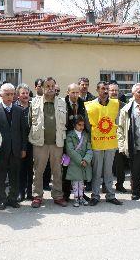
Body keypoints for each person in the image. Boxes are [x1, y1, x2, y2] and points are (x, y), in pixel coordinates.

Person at [29, 77, 68, 208]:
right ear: (43, 87)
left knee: (57, 170)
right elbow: (30, 122)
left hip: (57, 143)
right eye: (48, 86)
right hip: (40, 143)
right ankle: (37, 196)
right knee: (38, 171)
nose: (50, 88)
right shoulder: (34, 102)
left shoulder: (62, 103)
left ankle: (57, 195)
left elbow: (66, 121)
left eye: (53, 86)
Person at [0, 83, 28, 210]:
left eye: (12, 94)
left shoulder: (19, 110)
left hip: (16, 149)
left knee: (14, 176)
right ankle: (2, 200)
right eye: (7, 94)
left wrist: (23, 148)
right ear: (1, 95)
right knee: (0, 176)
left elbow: (23, 131)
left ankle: (12, 198)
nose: (10, 97)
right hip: (1, 150)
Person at [85, 81, 123, 206]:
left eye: (107, 89)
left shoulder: (115, 104)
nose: (105, 91)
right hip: (97, 143)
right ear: (97, 90)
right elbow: (87, 124)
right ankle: (95, 196)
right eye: (102, 88)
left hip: (111, 142)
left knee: (108, 171)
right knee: (96, 171)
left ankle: (110, 195)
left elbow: (118, 122)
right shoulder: (90, 105)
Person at [63, 83, 88, 200]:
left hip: (80, 138)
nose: (75, 94)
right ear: (68, 92)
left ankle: (81, 193)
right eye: (73, 92)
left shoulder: (83, 103)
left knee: (80, 165)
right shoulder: (62, 103)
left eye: (77, 92)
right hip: (67, 139)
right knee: (67, 166)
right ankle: (66, 193)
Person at [65, 115, 92, 207]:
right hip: (74, 163)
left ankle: (81, 197)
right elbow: (70, 150)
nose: (81, 127)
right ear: (74, 125)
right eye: (79, 125)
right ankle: (76, 198)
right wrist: (80, 160)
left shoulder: (86, 135)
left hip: (84, 162)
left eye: (83, 125)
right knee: (75, 182)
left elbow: (89, 149)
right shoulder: (70, 135)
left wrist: (86, 159)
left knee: (81, 182)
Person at [108, 82, 128, 193]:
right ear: (108, 91)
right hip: (107, 139)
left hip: (120, 139)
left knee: (120, 165)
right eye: (112, 90)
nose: (114, 92)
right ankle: (106, 185)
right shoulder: (103, 104)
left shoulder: (124, 106)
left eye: (116, 90)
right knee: (107, 165)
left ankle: (120, 184)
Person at [15, 84, 34, 201]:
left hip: (31, 142)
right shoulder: (14, 107)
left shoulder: (33, 107)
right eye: (23, 93)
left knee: (30, 169)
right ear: (18, 95)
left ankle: (30, 192)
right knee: (20, 169)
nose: (25, 95)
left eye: (27, 93)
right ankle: (20, 192)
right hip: (19, 143)